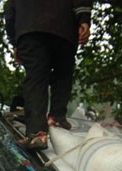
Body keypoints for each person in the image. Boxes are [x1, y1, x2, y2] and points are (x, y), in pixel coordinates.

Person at [5, 0, 92, 150]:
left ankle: (37, 133)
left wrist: (15, 42)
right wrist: (84, 20)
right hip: (64, 30)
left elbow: (9, 10)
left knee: (36, 77)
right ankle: (57, 117)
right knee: (63, 74)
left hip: (31, 29)